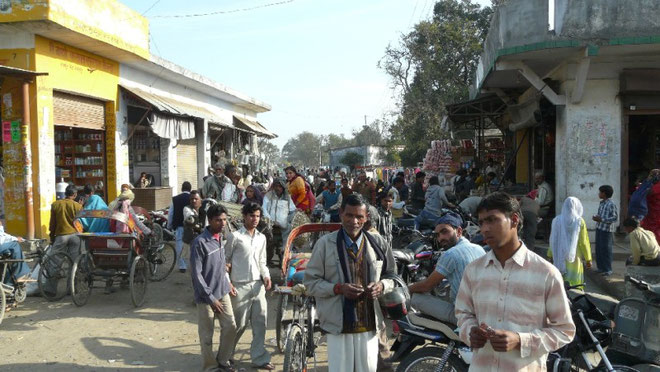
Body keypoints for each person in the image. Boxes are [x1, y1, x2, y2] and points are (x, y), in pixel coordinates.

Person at [455, 192, 575, 370]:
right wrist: (470, 331)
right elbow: (463, 314)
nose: (485, 229)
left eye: (492, 220)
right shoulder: (474, 271)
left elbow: (564, 330)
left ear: (514, 220)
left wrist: (520, 340)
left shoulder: (545, 273)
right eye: (481, 223)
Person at [304, 193, 396, 372]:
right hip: (339, 326)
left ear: (366, 218)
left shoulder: (377, 243)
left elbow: (393, 276)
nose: (354, 221)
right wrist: (338, 288)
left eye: (359, 216)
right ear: (341, 214)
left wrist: (381, 286)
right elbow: (310, 283)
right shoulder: (324, 244)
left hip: (369, 325)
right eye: (350, 215)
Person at [408, 213, 485, 324]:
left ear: (459, 231)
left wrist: (405, 289)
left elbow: (426, 286)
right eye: (438, 235)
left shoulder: (450, 254)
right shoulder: (479, 249)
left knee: (414, 297)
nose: (440, 238)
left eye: (445, 232)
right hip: (483, 313)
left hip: (463, 317)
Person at [225, 203, 274, 370]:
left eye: (258, 216)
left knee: (260, 322)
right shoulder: (235, 237)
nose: (255, 219)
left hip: (258, 285)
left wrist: (266, 276)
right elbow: (225, 262)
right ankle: (226, 355)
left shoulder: (262, 237)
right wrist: (227, 282)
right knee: (239, 324)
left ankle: (260, 358)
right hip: (239, 285)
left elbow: (262, 261)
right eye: (252, 216)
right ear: (244, 216)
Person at [190, 204, 237, 372]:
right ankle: (210, 367)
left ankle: (223, 360)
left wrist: (228, 282)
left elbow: (221, 266)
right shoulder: (199, 243)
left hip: (222, 291)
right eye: (218, 220)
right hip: (205, 298)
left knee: (230, 326)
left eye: (224, 220)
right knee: (207, 335)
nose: (223, 223)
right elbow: (197, 275)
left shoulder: (220, 239)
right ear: (209, 221)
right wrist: (211, 299)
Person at [548, 197, 592, 287]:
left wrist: (550, 254)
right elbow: (583, 242)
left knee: (560, 283)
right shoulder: (579, 221)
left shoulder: (556, 220)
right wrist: (588, 258)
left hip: (559, 254)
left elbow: (553, 240)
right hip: (575, 256)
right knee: (575, 283)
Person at [47, 185, 83, 295]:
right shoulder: (78, 206)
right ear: (75, 195)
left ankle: (51, 289)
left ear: (65, 193)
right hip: (75, 236)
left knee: (54, 262)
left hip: (61, 236)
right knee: (74, 262)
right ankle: (72, 289)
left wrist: (52, 238)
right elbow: (80, 223)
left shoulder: (56, 204)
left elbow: (52, 224)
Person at [262, 178, 296, 266]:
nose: (278, 188)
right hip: (270, 223)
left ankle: (285, 256)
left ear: (283, 188)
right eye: (276, 186)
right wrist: (270, 220)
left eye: (280, 187)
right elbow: (264, 209)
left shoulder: (287, 197)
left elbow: (292, 210)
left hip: (284, 225)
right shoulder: (268, 196)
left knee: (289, 237)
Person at [592, 185, 618, 276]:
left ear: (604, 193)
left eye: (600, 192)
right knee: (598, 248)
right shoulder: (602, 203)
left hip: (606, 230)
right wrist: (596, 218)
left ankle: (608, 269)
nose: (599, 194)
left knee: (606, 249)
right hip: (599, 228)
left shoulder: (611, 204)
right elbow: (600, 214)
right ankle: (600, 268)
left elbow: (614, 218)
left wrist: (602, 219)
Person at [168, 182, 192, 273]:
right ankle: (192, 264)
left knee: (180, 245)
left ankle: (182, 266)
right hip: (191, 227)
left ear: (182, 188)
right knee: (191, 245)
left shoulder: (175, 199)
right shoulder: (194, 198)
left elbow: (171, 213)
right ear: (190, 189)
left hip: (180, 226)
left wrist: (169, 225)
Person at [641, 169, 660, 243]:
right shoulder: (653, 186)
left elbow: (647, 193)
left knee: (654, 233)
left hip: (656, 215)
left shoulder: (656, 187)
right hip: (650, 214)